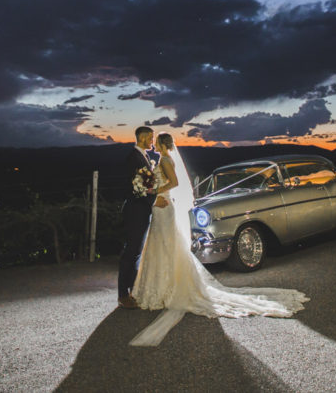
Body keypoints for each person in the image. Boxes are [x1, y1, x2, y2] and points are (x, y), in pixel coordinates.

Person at [129, 132, 308, 347]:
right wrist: (151, 192)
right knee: (158, 246)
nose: (153, 142)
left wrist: (154, 190)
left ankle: (167, 288)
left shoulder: (166, 160)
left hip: (165, 206)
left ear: (162, 144)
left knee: (167, 246)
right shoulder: (159, 159)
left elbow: (174, 182)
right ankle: (155, 287)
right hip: (159, 206)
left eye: (156, 140)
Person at [117, 126, 157, 309]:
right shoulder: (133, 158)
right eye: (150, 138)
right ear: (142, 138)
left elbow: (144, 185)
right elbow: (134, 188)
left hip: (141, 210)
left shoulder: (143, 156)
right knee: (131, 252)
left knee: (136, 252)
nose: (152, 141)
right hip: (135, 211)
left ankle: (132, 290)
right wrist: (153, 202)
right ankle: (123, 294)